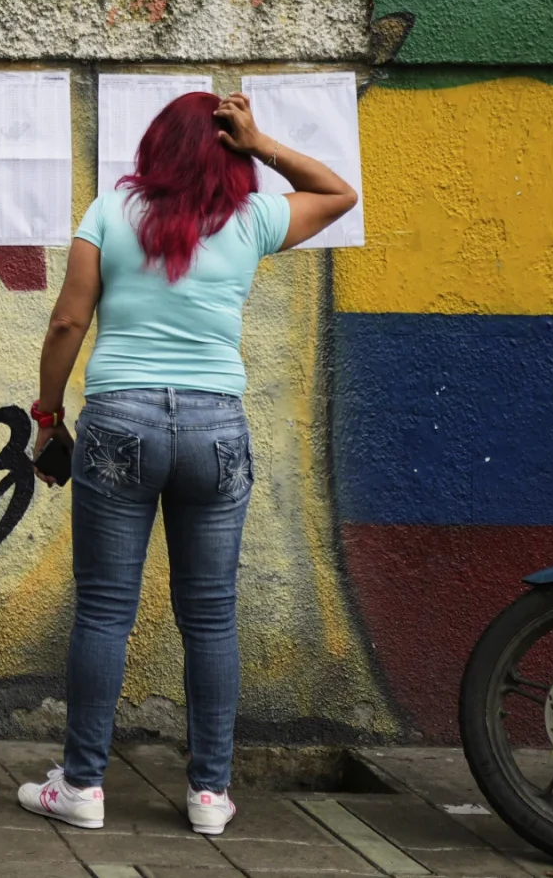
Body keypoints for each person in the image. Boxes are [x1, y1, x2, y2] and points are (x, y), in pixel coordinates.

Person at [18, 91, 357, 836]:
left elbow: (69, 319)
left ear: (155, 146)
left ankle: (82, 785)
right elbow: (339, 193)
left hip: (120, 419)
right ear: (227, 151)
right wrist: (262, 143)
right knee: (210, 615)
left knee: (104, 609)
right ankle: (209, 794)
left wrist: (47, 416)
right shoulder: (251, 219)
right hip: (216, 427)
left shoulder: (110, 212)